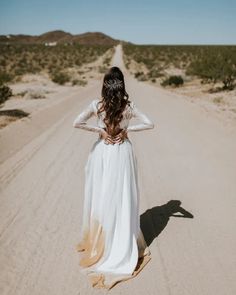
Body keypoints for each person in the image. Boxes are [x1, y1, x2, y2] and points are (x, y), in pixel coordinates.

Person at [72, 66, 155, 290]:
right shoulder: (128, 107)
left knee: (103, 195)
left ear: (105, 85)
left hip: (103, 153)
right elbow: (149, 123)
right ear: (122, 85)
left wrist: (100, 132)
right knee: (122, 195)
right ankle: (120, 239)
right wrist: (128, 131)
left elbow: (76, 123)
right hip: (122, 153)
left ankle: (104, 239)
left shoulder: (96, 106)